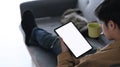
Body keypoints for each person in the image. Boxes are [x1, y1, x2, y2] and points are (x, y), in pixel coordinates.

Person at [57, 0, 120, 67]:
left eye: (102, 23)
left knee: (57, 41)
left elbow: (94, 60)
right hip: (96, 52)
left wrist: (64, 52)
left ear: (111, 25)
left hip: (92, 57)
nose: (101, 26)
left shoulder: (92, 61)